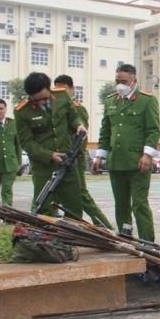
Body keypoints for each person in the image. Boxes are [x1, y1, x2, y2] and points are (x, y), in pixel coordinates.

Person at [92, 64, 160, 242]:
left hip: (138, 162)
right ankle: (125, 238)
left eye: (124, 81)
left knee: (139, 204)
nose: (120, 84)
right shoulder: (110, 101)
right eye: (117, 81)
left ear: (134, 81)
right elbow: (105, 132)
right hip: (116, 162)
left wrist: (147, 155)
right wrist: (100, 156)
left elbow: (153, 130)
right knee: (121, 205)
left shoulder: (146, 100)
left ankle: (148, 242)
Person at [15, 72, 86, 218]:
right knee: (44, 210)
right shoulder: (22, 111)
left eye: (44, 98)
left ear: (49, 89)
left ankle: (71, 239)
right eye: (37, 100)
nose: (42, 102)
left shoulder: (62, 96)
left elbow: (73, 117)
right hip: (43, 167)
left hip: (68, 161)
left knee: (74, 208)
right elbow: (26, 142)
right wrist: (50, 155)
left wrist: (79, 126)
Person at [53, 74, 113, 229]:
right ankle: (65, 226)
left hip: (74, 159)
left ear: (72, 90)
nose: (61, 93)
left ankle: (105, 227)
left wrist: (70, 155)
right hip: (58, 158)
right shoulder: (53, 108)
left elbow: (81, 138)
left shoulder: (76, 109)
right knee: (56, 193)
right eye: (57, 89)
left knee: (81, 195)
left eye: (64, 89)